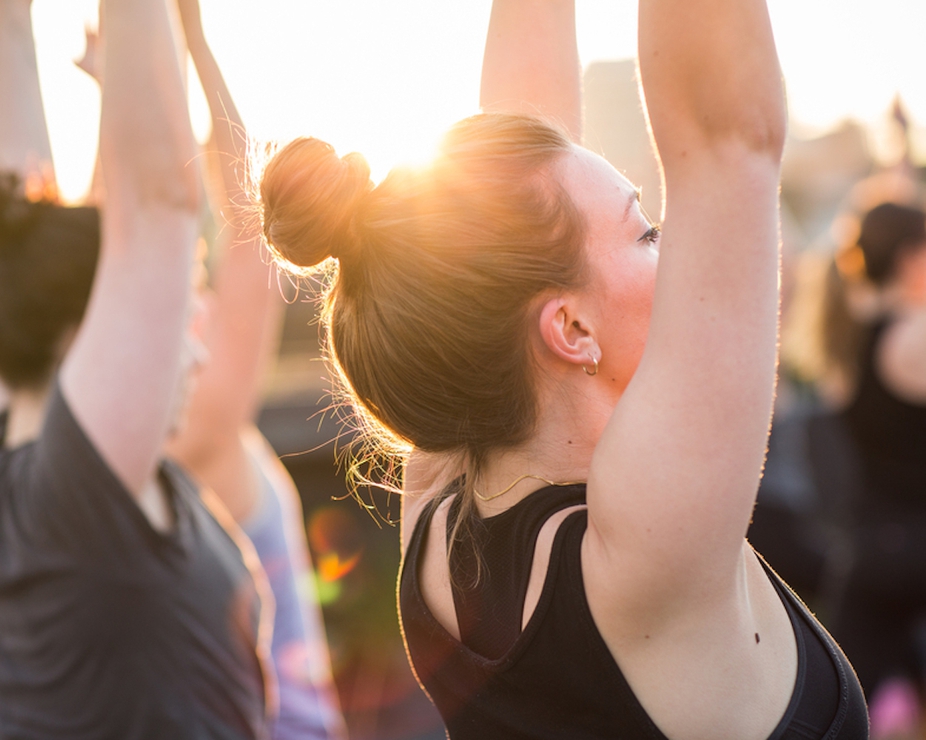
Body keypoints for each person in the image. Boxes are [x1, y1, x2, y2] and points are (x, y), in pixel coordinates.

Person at [259, 0, 869, 737]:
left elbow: (500, 203)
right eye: (645, 231)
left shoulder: (442, 493)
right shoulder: (648, 553)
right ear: (571, 329)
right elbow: (724, 140)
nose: (677, 250)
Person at [0, 0, 267, 737]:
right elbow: (157, 205)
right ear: (80, 335)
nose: (193, 350)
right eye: (170, 315)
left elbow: (24, 223)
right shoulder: (71, 496)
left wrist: (14, 21)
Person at [73, 3, 347, 736]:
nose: (199, 304)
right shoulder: (200, 426)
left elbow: (104, 251)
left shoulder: (106, 437)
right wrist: (194, 39)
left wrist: (116, 98)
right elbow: (250, 226)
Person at [819, 201, 926, 735]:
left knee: (835, 702)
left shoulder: (853, 328)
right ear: (910, 259)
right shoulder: (915, 335)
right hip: (915, 548)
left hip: (874, 545)